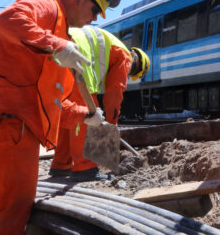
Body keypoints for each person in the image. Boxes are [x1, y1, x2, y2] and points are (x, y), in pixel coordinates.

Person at [0, 0, 122, 234]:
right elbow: (5, 20)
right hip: (7, 121)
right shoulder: (46, 7)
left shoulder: (61, 38)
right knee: (13, 207)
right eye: (94, 10)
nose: (93, 19)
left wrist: (85, 115)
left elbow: (51, 104)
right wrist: (56, 45)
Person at [50, 26, 150, 181]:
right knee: (89, 113)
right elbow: (114, 95)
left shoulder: (114, 47)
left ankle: (62, 165)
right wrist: (111, 124)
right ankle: (85, 168)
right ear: (137, 67)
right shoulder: (125, 58)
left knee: (71, 112)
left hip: (63, 47)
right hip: (77, 55)